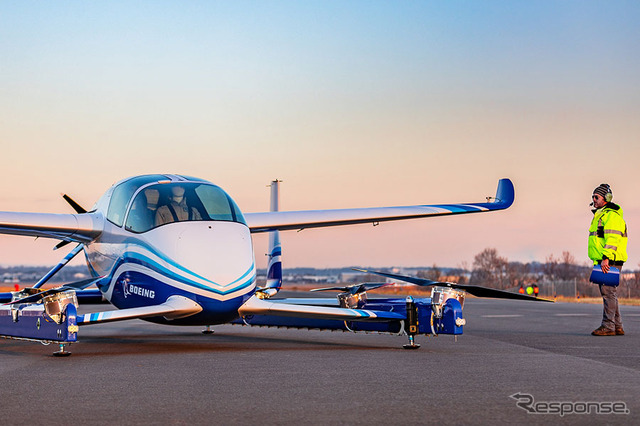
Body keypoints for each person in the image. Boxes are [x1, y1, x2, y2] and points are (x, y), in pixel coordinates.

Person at [588, 183, 627, 336]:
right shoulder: (602, 214)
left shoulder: (611, 216)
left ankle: (608, 326)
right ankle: (617, 326)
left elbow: (613, 239)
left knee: (608, 293)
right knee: (610, 293)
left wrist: (606, 258)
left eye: (596, 197)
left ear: (606, 198)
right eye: (593, 197)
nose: (593, 199)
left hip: (609, 260)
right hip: (604, 259)